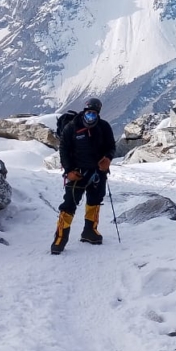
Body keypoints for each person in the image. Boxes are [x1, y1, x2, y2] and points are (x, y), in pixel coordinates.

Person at [51, 96, 116, 254]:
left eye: (94, 113)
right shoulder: (72, 127)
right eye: (89, 112)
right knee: (69, 205)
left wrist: (107, 158)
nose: (91, 115)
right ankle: (60, 239)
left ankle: (90, 232)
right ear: (85, 111)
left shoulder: (104, 127)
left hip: (97, 173)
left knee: (95, 201)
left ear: (98, 112)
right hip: (77, 173)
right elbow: (64, 150)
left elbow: (111, 146)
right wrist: (69, 171)